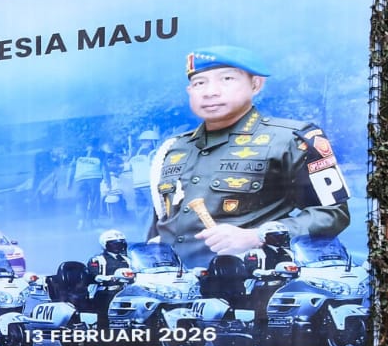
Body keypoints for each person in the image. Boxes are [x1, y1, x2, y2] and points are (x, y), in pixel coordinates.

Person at [147, 46, 351, 269]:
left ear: (256, 84)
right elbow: (162, 223)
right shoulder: (174, 148)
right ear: (190, 91)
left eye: (226, 79)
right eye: (199, 83)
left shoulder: (291, 139)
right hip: (172, 283)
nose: (210, 92)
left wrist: (257, 236)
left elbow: (333, 214)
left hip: (249, 281)